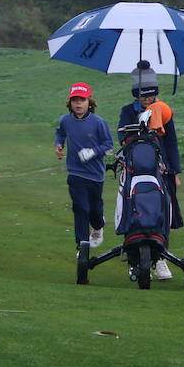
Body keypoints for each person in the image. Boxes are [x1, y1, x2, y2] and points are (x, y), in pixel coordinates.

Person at [118, 60, 182, 280]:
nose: (148, 101)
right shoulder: (128, 111)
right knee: (131, 203)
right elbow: (122, 136)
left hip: (161, 168)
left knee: (164, 208)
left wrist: (175, 171)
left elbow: (171, 142)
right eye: (144, 97)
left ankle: (160, 256)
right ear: (136, 95)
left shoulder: (164, 110)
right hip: (135, 166)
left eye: (151, 97)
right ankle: (134, 256)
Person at [54, 81, 113, 249]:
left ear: (89, 102)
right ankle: (82, 245)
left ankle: (98, 226)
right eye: (75, 100)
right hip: (75, 172)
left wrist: (93, 152)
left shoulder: (98, 122)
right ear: (70, 103)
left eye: (82, 100)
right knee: (80, 208)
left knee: (94, 210)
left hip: (95, 174)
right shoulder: (65, 120)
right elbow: (60, 133)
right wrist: (59, 145)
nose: (78, 103)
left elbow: (108, 145)